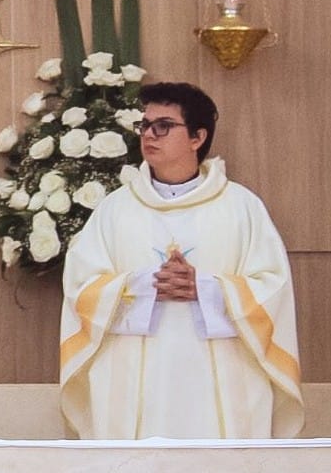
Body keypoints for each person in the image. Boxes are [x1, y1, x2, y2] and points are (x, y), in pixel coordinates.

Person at [59, 82, 303, 439]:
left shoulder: (241, 207)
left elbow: (273, 288)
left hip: (220, 379)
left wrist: (204, 287)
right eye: (145, 125)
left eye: (163, 126)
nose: (149, 135)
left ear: (197, 137)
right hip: (133, 384)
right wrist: (143, 285)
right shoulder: (115, 209)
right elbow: (80, 285)